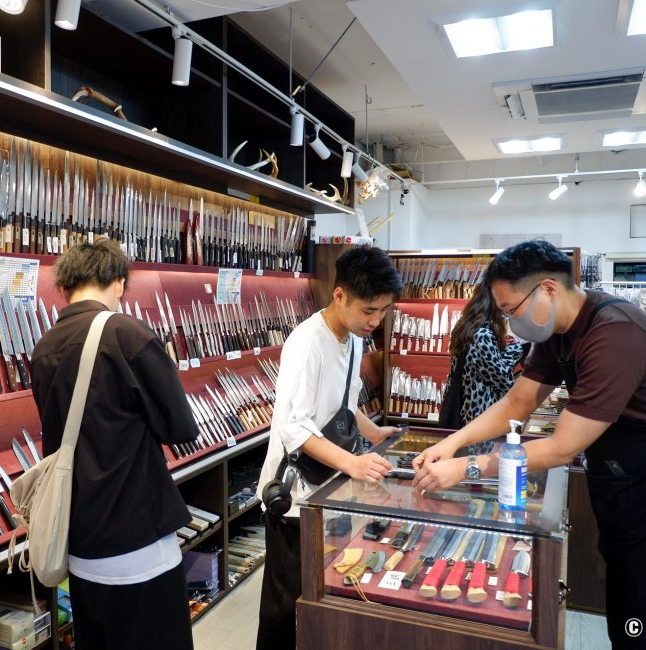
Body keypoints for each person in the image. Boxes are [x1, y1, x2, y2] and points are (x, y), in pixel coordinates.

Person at [413, 240, 646, 649]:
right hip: (616, 474)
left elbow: (560, 447)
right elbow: (518, 402)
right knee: (624, 586)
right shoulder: (557, 333)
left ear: (548, 290)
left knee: (635, 604)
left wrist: (467, 468)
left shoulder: (615, 332)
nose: (508, 322)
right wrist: (454, 441)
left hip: (639, 476)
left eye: (510, 310)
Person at [30, 239, 197, 650]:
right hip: (137, 543)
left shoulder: (43, 347)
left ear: (65, 286)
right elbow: (181, 427)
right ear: (119, 284)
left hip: (80, 545)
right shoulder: (126, 333)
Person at [255, 245, 402, 650]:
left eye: (383, 311)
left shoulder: (353, 338)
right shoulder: (306, 343)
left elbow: (346, 403)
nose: (376, 320)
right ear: (339, 296)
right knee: (284, 606)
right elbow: (293, 428)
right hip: (294, 496)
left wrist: (373, 433)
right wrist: (353, 464)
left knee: (321, 594)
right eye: (368, 310)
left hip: (329, 486)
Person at [439, 281, 528, 456]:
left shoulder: (466, 328)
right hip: (479, 415)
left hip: (465, 410)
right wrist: (519, 348)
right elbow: (502, 379)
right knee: (476, 467)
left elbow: (486, 367)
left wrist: (504, 349)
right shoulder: (483, 335)